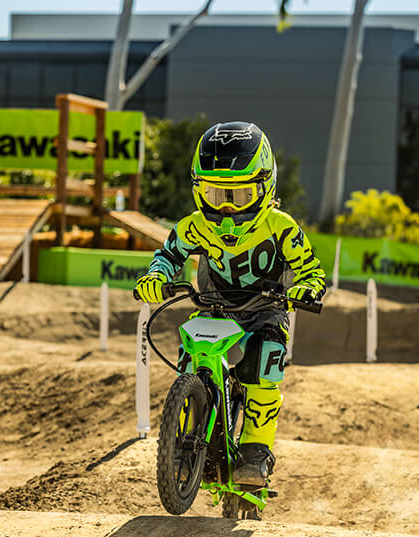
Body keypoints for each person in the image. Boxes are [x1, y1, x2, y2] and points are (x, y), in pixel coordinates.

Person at [135, 121, 325, 487]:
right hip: (214, 306)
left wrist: (308, 289)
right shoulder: (193, 226)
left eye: (237, 197)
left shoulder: (282, 227)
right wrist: (156, 278)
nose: (225, 209)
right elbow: (168, 255)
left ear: (264, 187)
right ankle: (191, 427)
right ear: (197, 189)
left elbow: (311, 271)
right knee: (189, 354)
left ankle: (255, 450)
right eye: (213, 194)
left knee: (262, 365)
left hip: (265, 309)